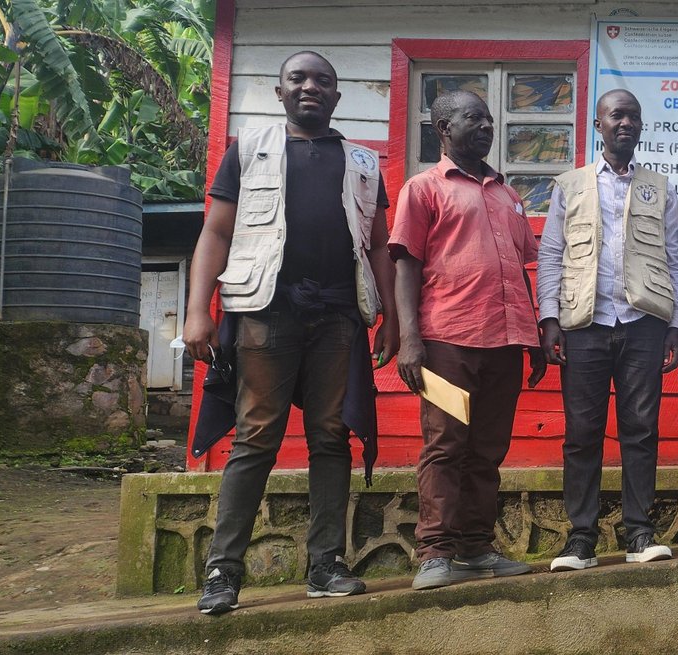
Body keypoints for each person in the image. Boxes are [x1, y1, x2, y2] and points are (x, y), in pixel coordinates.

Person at [182, 51, 399, 614]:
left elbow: (378, 245)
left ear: (336, 96)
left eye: (323, 80)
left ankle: (326, 564)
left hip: (338, 315)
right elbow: (216, 232)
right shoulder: (248, 149)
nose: (310, 87)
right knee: (257, 434)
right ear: (279, 92)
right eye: (297, 79)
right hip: (265, 311)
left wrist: (392, 317)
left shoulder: (362, 162)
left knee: (330, 434)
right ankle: (223, 572)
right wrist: (198, 310)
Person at [390, 90, 546, 590]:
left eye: (489, 120)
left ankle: (476, 548)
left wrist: (533, 336)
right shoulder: (424, 189)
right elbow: (406, 265)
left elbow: (519, 270)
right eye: (473, 118)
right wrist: (410, 338)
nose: (485, 127)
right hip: (447, 343)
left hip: (505, 344)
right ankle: (435, 552)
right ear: (443, 128)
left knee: (487, 448)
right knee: (446, 445)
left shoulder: (508, 195)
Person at [538, 89, 678, 571]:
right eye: (617, 115)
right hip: (584, 325)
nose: (626, 123)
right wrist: (549, 318)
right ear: (598, 124)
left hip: (643, 324)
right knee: (582, 433)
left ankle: (639, 532)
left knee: (641, 430)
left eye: (633, 116)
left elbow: (673, 259)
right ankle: (581, 538)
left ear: (641, 127)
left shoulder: (659, 188)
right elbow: (552, 254)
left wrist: (674, 324)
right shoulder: (571, 185)